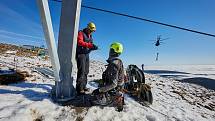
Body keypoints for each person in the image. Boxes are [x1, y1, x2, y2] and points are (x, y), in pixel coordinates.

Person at [92, 42, 125, 111]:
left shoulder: (113, 64)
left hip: (114, 90)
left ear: (113, 51)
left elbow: (113, 84)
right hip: (118, 88)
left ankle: (115, 98)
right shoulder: (118, 62)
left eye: (111, 50)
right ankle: (117, 97)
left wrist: (99, 90)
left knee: (92, 99)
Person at [76, 22, 98, 95]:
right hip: (81, 54)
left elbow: (90, 46)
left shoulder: (90, 36)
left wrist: (93, 48)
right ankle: (79, 88)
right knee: (81, 71)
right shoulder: (81, 33)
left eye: (93, 31)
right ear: (88, 28)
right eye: (91, 30)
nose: (92, 32)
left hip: (86, 55)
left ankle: (84, 86)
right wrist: (90, 45)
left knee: (86, 71)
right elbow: (79, 42)